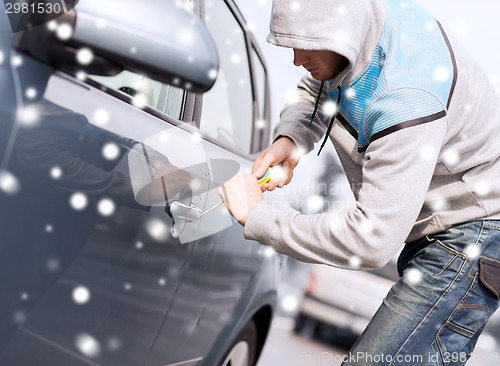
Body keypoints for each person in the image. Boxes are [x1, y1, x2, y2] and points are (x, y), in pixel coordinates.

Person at [219, 0, 500, 364]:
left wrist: (260, 217)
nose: (295, 59)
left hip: (472, 232)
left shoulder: (408, 97)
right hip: (443, 227)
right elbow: (316, 88)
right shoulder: (359, 33)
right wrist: (291, 139)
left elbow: (370, 240)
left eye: (304, 44)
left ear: (341, 35)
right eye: (290, 45)